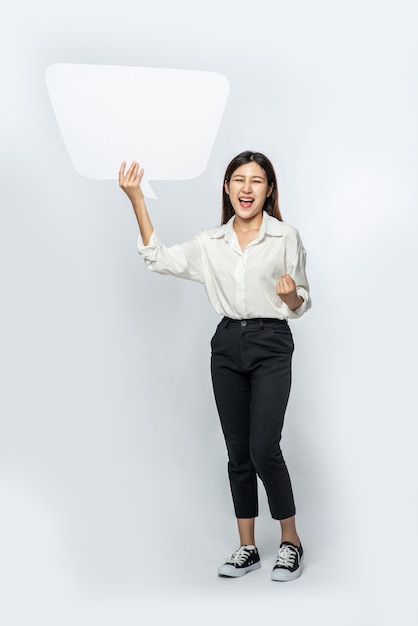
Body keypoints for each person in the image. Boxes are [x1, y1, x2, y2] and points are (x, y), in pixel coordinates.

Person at [119, 151, 311, 582]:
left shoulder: (285, 237)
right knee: (238, 452)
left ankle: (291, 541)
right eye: (238, 180)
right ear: (227, 188)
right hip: (226, 344)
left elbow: (301, 301)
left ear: (269, 190)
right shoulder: (210, 243)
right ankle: (247, 548)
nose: (247, 188)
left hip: (272, 341)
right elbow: (160, 259)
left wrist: (289, 296)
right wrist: (137, 201)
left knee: (265, 447)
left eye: (256, 181)